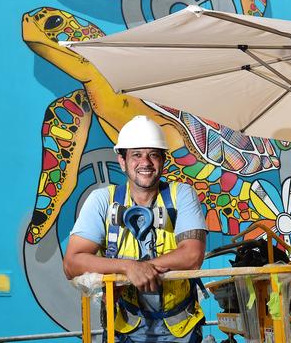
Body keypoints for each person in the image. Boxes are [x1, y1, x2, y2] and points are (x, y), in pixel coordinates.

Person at [64, 115, 208, 343]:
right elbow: (72, 263)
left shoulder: (181, 195)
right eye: (136, 155)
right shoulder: (102, 201)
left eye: (153, 154)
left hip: (181, 329)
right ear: (122, 161)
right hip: (125, 328)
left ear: (163, 160)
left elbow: (192, 255)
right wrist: (127, 268)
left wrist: (143, 269)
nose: (146, 162)